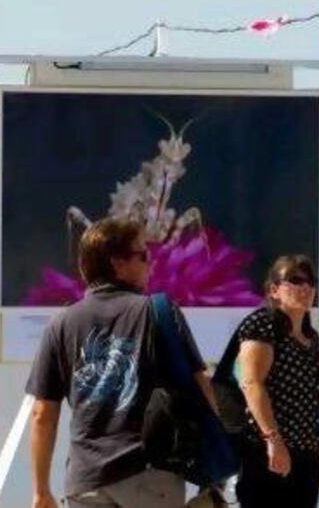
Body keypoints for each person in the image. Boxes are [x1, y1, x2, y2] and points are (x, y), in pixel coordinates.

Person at [26, 218, 216, 508]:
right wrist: (214, 467)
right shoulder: (159, 313)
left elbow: (42, 414)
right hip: (150, 476)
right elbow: (202, 392)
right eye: (143, 256)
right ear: (118, 264)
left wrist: (41, 491)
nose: (150, 264)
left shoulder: (61, 324)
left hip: (85, 480)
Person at [235, 255, 319, 508]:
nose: (305, 287)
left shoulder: (312, 338)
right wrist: (273, 441)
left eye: (310, 281)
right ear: (274, 290)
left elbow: (314, 396)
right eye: (295, 280)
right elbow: (252, 383)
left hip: (307, 458)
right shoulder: (262, 325)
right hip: (269, 453)